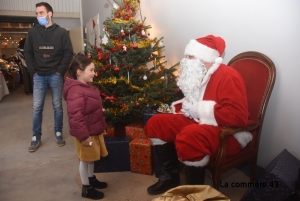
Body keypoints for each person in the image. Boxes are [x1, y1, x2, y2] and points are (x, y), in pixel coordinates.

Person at [145, 35, 252, 195]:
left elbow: (238, 116)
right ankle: (169, 178)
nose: (185, 60)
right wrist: (188, 108)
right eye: (186, 56)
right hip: (199, 122)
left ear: (205, 58)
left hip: (226, 131)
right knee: (157, 122)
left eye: (190, 57)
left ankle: (195, 192)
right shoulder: (201, 74)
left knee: (190, 137)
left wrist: (200, 110)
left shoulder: (228, 76)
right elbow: (195, 100)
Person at [24, 2, 73, 152]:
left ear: (49, 14)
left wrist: (59, 71)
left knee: (57, 105)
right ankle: (35, 137)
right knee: (37, 107)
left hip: (55, 75)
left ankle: (58, 133)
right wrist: (33, 71)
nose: (38, 16)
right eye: (37, 13)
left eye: (41, 13)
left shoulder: (62, 33)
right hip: (39, 75)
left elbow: (68, 53)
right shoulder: (32, 33)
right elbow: (28, 53)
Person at [63, 54, 108, 200]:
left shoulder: (86, 86)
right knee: (85, 159)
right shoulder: (76, 91)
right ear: (79, 72)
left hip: (93, 129)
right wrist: (83, 136)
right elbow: (75, 116)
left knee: (91, 157)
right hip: (85, 132)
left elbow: (89, 106)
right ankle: (86, 187)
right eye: (92, 70)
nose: (95, 73)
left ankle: (91, 178)